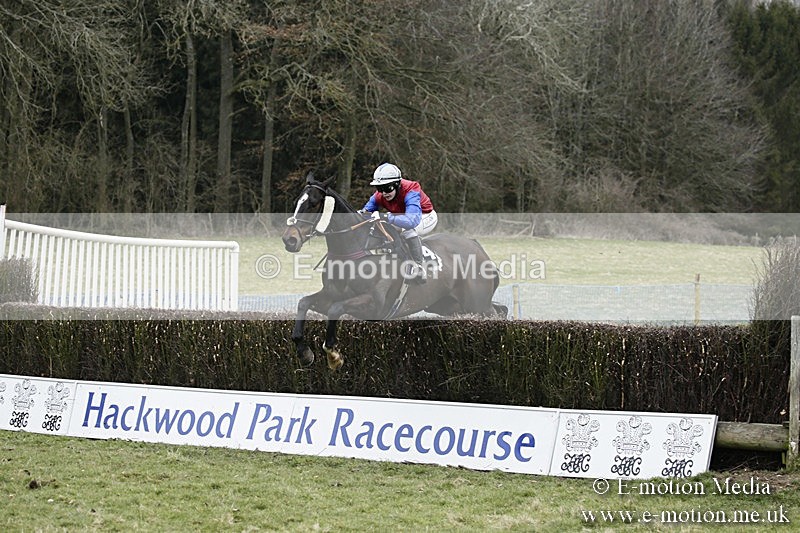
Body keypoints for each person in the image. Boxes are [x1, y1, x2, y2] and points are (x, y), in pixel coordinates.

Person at [360, 163, 438, 283]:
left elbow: (411, 221)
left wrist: (385, 216)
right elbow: (364, 213)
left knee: (407, 231)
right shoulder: (379, 195)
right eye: (380, 188)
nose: (384, 193)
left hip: (424, 216)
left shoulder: (411, 190)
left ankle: (419, 267)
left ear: (397, 184)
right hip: (404, 216)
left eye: (388, 188)